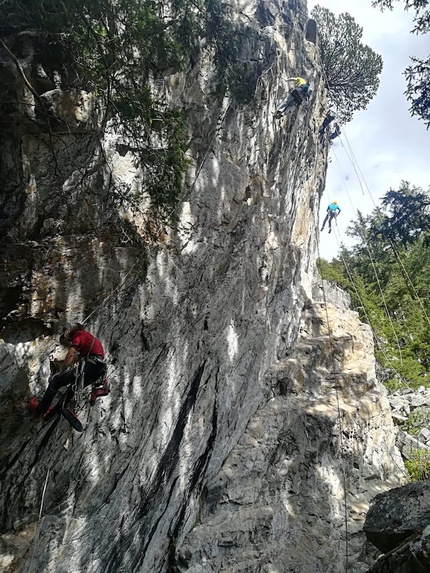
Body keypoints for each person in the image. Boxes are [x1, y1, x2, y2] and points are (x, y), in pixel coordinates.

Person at [29, 324, 108, 419]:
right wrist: (58, 361)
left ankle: (40, 410)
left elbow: (70, 354)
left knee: (55, 382)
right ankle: (49, 416)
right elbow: (74, 359)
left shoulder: (78, 334)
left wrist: (61, 372)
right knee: (71, 391)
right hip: (98, 370)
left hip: (91, 367)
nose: (69, 341)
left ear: (70, 331)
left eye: (68, 338)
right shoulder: (88, 339)